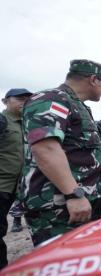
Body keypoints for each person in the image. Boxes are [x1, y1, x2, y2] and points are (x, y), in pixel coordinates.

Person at [20, 59, 101, 246]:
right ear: (94, 79)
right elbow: (46, 148)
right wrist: (74, 195)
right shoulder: (52, 99)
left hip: (78, 202)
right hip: (58, 205)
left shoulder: (76, 105)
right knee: (61, 261)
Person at [0, 88, 32, 268]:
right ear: (5, 101)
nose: (24, 102)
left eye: (27, 100)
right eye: (19, 99)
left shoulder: (26, 123)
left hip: (18, 187)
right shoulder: (2, 120)